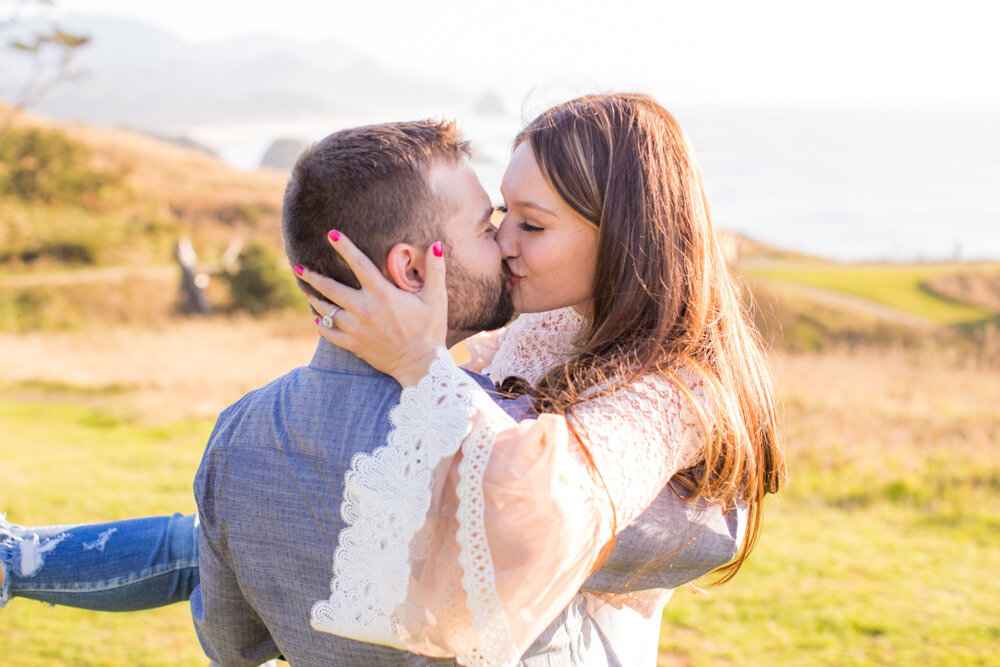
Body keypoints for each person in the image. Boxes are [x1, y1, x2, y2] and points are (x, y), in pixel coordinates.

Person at [1, 116, 744, 665]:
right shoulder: (518, 439)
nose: (507, 245)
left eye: (525, 223)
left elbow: (230, 641)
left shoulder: (238, 438)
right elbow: (698, 540)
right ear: (413, 269)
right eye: (492, 225)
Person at [296, 93, 784, 665]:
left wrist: (421, 362)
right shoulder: (542, 321)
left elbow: (543, 501)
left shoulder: (678, 390)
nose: (503, 243)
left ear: (628, 236)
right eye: (504, 214)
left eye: (532, 224)